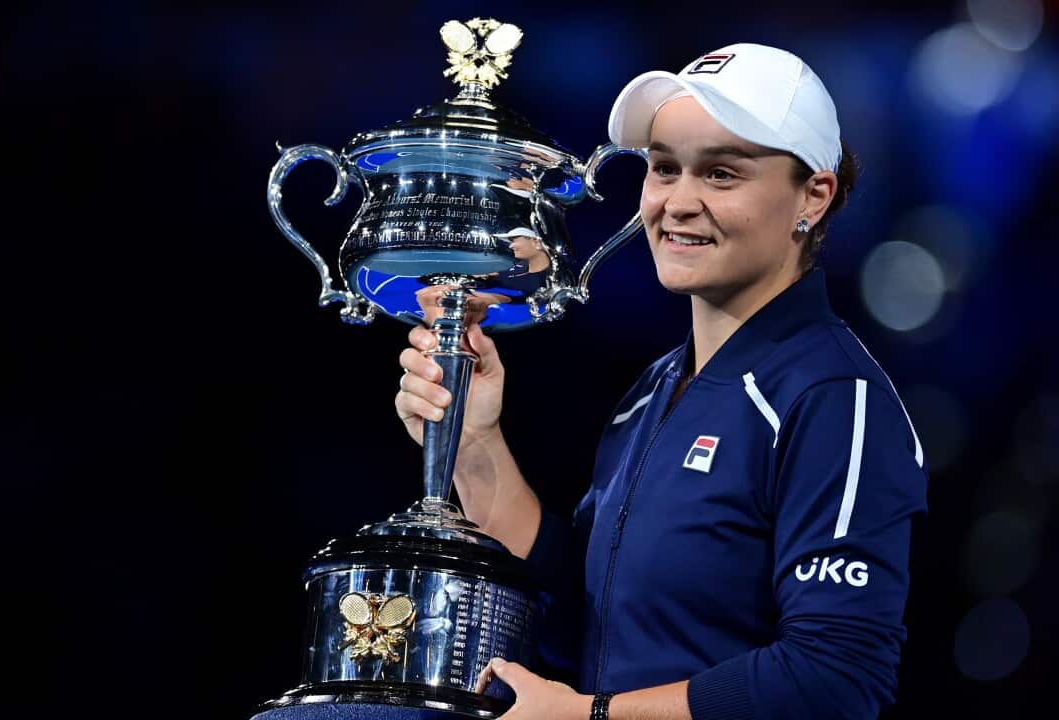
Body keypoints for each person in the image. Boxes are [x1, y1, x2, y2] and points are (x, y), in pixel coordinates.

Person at [394, 43, 928, 720]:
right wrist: (474, 442)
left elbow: (835, 674)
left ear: (812, 198)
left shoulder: (835, 399)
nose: (678, 202)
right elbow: (587, 627)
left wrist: (592, 717)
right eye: (664, 168)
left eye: (721, 174)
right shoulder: (652, 391)